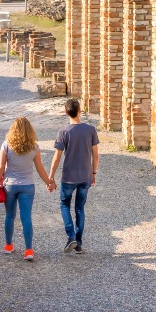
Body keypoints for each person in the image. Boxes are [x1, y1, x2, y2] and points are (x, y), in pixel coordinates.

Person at [0, 116, 53, 261]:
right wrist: (49, 182)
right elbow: (39, 168)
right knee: (26, 217)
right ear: (29, 131)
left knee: (10, 216)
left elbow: (1, 167)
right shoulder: (34, 147)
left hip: (10, 185)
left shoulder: (6, 145)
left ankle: (8, 245)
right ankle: (28, 250)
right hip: (27, 185)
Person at [48, 98, 99, 254]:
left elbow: (57, 157)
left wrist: (50, 177)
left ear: (66, 112)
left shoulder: (63, 132)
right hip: (85, 176)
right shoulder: (91, 129)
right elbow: (95, 156)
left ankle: (71, 236)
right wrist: (93, 172)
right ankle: (79, 245)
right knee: (80, 209)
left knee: (64, 205)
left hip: (68, 177)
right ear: (80, 111)